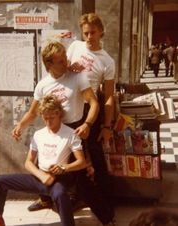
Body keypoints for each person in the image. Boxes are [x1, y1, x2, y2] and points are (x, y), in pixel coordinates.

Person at [12, 42, 115, 226]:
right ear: (48, 64)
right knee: (41, 167)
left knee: (82, 181)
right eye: (60, 61)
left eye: (65, 58)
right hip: (52, 131)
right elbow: (33, 112)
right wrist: (20, 125)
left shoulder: (77, 77)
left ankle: (107, 218)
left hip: (74, 130)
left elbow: (94, 103)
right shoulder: (43, 85)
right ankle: (45, 199)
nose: (66, 63)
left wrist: (88, 124)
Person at [0, 94, 87, 226]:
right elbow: (28, 162)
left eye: (52, 117)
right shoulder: (39, 134)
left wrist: (63, 168)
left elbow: (82, 162)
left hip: (59, 177)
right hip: (40, 176)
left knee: (60, 194)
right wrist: (41, 175)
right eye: (45, 118)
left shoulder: (70, 134)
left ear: (59, 115)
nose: (48, 122)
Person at [67, 12, 115, 216]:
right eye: (85, 33)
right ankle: (74, 196)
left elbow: (110, 97)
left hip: (90, 109)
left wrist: (106, 126)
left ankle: (106, 199)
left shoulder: (107, 61)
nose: (88, 37)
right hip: (69, 105)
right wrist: (70, 68)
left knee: (94, 153)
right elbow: (60, 72)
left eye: (92, 32)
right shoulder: (75, 47)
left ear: (101, 31)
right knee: (69, 152)